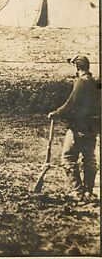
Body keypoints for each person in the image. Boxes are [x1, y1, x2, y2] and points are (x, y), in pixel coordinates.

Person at [48, 55, 100, 201]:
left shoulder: (81, 82)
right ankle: (89, 191)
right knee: (89, 158)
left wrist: (56, 113)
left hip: (79, 127)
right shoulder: (95, 83)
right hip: (93, 127)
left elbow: (71, 104)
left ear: (77, 67)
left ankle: (78, 191)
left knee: (68, 157)